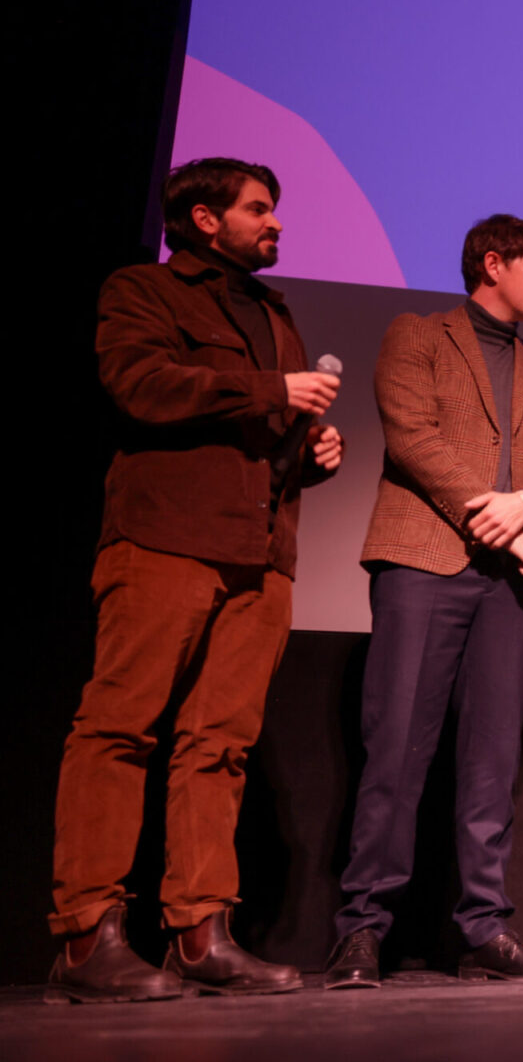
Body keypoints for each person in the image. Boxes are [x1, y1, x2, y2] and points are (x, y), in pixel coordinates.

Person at [47, 158, 344, 1004]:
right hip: (167, 537)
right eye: (258, 208)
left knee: (221, 745)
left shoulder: (275, 313)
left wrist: (315, 451)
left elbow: (269, 436)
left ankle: (200, 933)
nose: (275, 221)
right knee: (119, 727)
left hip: (262, 553)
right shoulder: (143, 289)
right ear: (206, 218)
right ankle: (85, 936)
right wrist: (270, 388)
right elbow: (140, 387)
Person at [324, 215, 523, 989]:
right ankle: (363, 927)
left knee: (493, 759)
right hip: (423, 561)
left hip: (509, 585)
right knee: (396, 748)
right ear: (492, 264)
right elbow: (413, 437)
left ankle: (482, 927)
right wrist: (501, 520)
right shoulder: (417, 334)